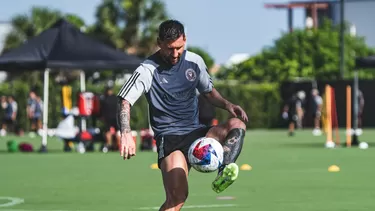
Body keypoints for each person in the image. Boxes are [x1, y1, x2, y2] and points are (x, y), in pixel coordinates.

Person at [117, 20, 248, 211]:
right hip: (170, 140)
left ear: (185, 39)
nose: (175, 54)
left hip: (197, 134)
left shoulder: (195, 62)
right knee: (177, 199)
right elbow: (124, 100)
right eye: (170, 49)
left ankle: (225, 169)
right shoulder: (147, 70)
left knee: (237, 124)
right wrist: (126, 132)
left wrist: (228, 105)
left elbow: (208, 92)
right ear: (159, 43)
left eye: (179, 47)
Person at [100, 87, 121, 152]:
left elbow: (102, 110)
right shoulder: (116, 98)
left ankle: (108, 146)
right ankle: (118, 146)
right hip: (116, 117)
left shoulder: (104, 98)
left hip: (108, 118)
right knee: (118, 132)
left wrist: (102, 117)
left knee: (108, 132)